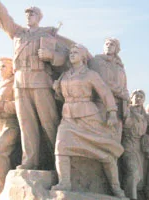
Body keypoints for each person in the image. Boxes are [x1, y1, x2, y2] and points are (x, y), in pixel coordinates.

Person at [0, 0, 69, 169]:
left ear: (39, 17)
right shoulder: (17, 33)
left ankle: (59, 162)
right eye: (27, 14)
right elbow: (4, 19)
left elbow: (65, 57)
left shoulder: (48, 35)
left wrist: (51, 56)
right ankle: (30, 161)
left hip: (41, 82)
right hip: (21, 84)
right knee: (26, 125)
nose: (29, 16)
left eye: (33, 13)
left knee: (49, 124)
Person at [51, 44, 125, 198]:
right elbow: (60, 97)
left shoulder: (91, 74)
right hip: (68, 117)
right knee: (60, 146)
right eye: (70, 52)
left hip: (89, 117)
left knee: (105, 151)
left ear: (83, 57)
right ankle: (64, 182)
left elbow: (105, 93)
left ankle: (116, 187)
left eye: (76, 52)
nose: (72, 54)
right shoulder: (65, 75)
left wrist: (112, 112)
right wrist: (57, 88)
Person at [0, 57, 20, 196]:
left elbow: (20, 104)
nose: (1, 69)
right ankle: (3, 187)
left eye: (4, 66)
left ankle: (1, 187)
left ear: (12, 68)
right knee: (5, 156)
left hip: (11, 124)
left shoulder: (15, 83)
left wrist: (1, 105)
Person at [88, 37, 129, 125]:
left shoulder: (120, 66)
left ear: (116, 49)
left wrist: (126, 96)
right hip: (102, 103)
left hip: (119, 105)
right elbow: (102, 82)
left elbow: (124, 85)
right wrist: (122, 93)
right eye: (107, 44)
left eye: (112, 44)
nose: (109, 46)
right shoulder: (97, 61)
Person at [121, 89, 149, 200]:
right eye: (136, 96)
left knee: (139, 178)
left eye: (141, 97)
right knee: (133, 173)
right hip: (128, 143)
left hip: (140, 148)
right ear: (132, 98)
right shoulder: (127, 111)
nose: (138, 98)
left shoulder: (145, 116)